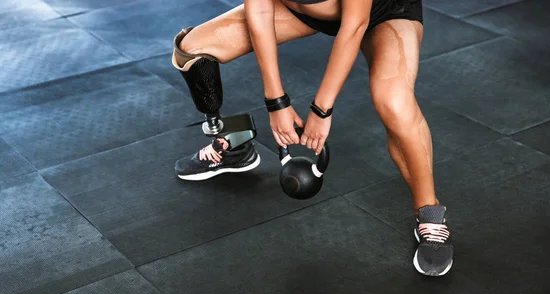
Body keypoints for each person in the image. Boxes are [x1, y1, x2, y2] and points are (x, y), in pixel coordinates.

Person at [170, 0, 453, 276]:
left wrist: (321, 109)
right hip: (306, 13)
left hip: (385, 11)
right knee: (192, 49)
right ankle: (231, 140)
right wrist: (276, 102)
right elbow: (260, 8)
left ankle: (429, 212)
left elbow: (354, 25)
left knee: (393, 101)